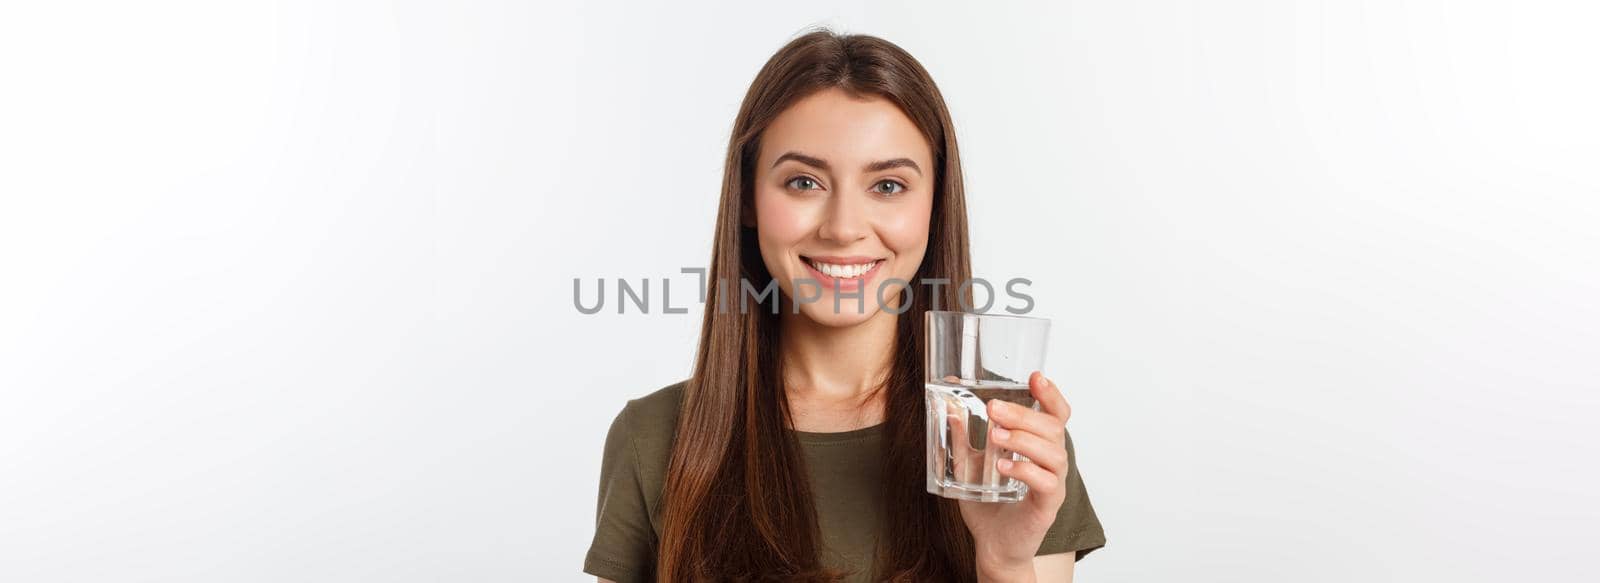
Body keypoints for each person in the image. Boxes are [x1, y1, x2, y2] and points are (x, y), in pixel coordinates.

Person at [583, 29, 1105, 583]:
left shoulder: (1003, 440)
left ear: (935, 204)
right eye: (804, 182)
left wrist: (1005, 562)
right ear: (748, 200)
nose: (844, 228)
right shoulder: (655, 437)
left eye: (887, 186)